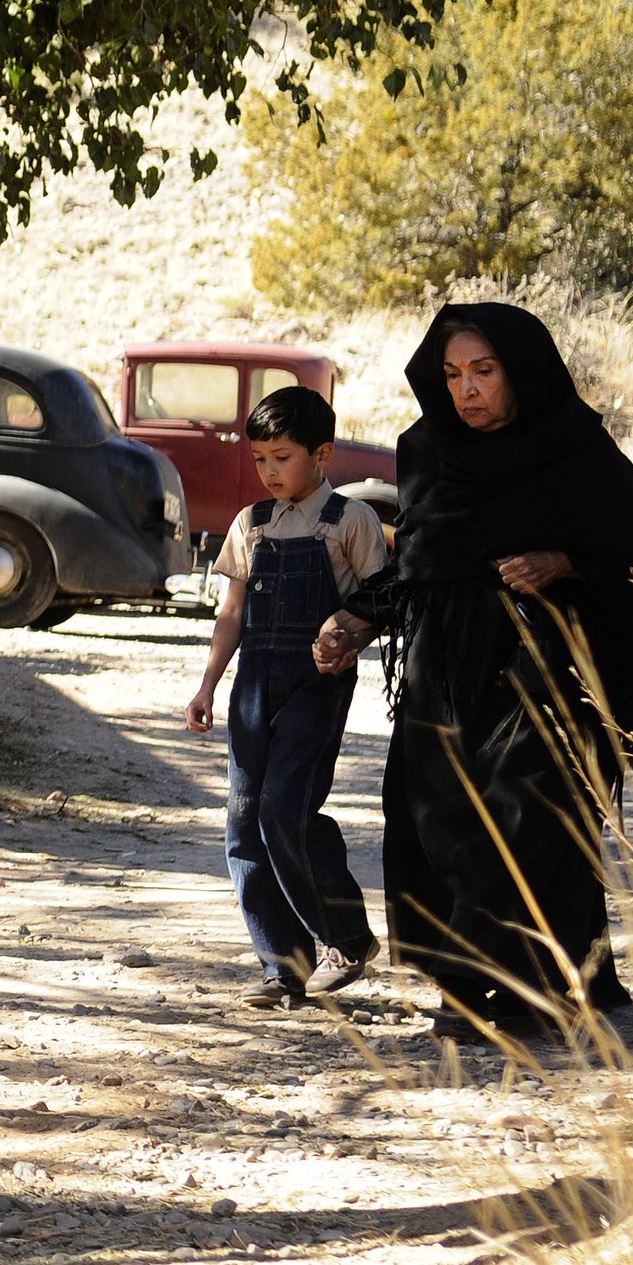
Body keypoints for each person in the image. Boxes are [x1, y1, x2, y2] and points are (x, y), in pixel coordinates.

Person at [314, 303, 633, 1038]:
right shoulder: (427, 451)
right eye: (452, 374)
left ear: (522, 371)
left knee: (527, 816)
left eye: (484, 371)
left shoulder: (576, 452)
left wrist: (566, 561)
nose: (466, 390)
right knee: (437, 818)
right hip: (442, 667)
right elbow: (418, 560)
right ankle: (504, 977)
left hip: (546, 667)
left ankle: (503, 990)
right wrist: (358, 617)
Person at [186, 386, 388, 1007]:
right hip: (254, 685)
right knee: (244, 823)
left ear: (323, 454)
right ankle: (283, 966)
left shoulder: (351, 521)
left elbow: (380, 602)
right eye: (261, 460)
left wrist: (348, 635)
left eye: (283, 457)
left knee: (285, 811)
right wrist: (208, 684)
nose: (270, 472)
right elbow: (232, 613)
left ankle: (346, 939)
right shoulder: (250, 524)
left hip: (316, 687)